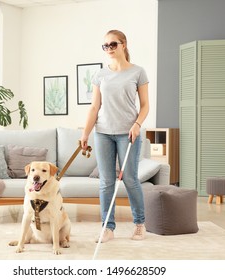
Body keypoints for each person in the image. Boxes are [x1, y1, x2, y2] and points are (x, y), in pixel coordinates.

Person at [80, 30, 149, 242]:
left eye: (113, 44)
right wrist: (85, 133)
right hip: (103, 134)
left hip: (128, 133)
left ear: (123, 44)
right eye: (105, 46)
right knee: (106, 182)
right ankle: (107, 228)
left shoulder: (137, 72)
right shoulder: (100, 74)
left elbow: (145, 105)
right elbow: (94, 107)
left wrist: (137, 124)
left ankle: (139, 224)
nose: (109, 49)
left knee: (130, 179)